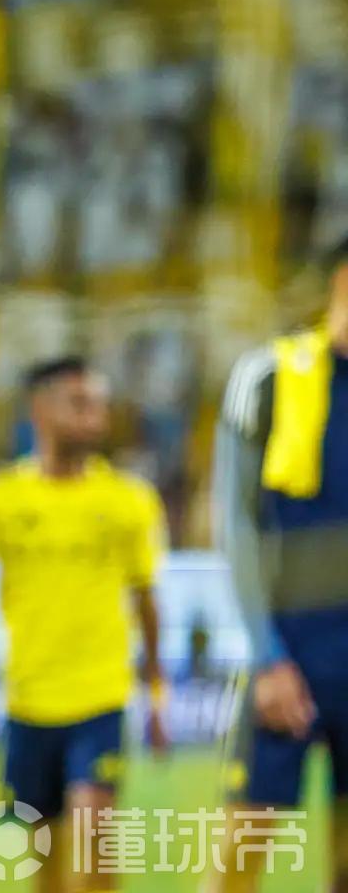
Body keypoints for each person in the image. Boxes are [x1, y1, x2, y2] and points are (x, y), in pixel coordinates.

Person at [0, 357, 168, 893]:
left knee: (94, 849)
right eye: (80, 404)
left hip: (100, 699)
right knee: (46, 870)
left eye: (100, 405)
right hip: (27, 704)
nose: (95, 417)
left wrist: (156, 693)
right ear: (40, 411)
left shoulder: (129, 500)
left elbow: (147, 604)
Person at [212, 232, 348, 893]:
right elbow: (236, 524)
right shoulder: (269, 376)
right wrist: (266, 657)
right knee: (238, 864)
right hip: (290, 656)